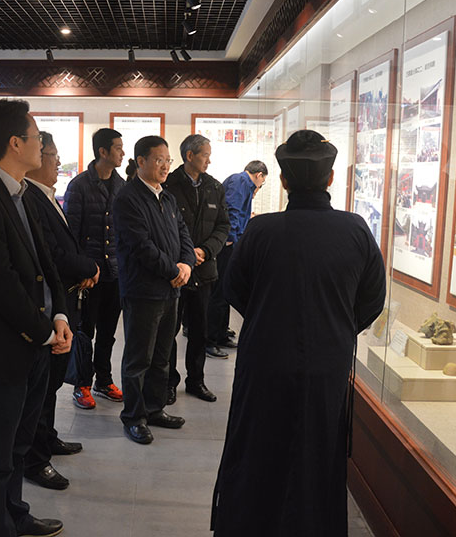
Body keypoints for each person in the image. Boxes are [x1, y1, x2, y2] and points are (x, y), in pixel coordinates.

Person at [211, 130, 386, 536]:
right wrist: (336, 328)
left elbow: (234, 288)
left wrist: (270, 318)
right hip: (327, 364)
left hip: (265, 360)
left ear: (284, 180)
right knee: (318, 454)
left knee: (257, 449)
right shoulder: (355, 230)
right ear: (330, 178)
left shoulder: (261, 231)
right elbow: (372, 300)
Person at [0, 99, 72, 537]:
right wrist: (45, 332)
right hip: (1, 348)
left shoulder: (22, 192)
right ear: (15, 143)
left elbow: (45, 263)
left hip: (35, 342)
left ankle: (16, 516)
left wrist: (59, 315)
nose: (42, 145)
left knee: (20, 442)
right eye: (37, 137)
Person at [23, 131, 100, 491]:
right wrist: (89, 267)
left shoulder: (47, 196)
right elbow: (52, 253)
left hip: (64, 301)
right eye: (52, 155)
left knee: (52, 382)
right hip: (48, 306)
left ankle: (48, 438)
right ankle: (35, 460)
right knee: (40, 389)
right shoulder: (30, 199)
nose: (56, 162)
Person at [113, 136, 196, 445]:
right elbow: (141, 247)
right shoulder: (128, 198)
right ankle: (134, 417)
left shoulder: (168, 197)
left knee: (162, 356)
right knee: (139, 358)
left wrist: (186, 264)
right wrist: (174, 271)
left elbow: (183, 234)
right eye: (159, 160)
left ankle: (154, 408)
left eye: (168, 160)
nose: (165, 166)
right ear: (141, 161)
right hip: (143, 291)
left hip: (170, 290)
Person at [163, 134, 230, 404]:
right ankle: (168, 382)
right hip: (176, 272)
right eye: (205, 155)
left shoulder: (214, 187)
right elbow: (164, 228)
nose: (209, 160)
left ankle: (196, 381)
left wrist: (205, 251)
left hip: (204, 270)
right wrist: (186, 255)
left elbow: (223, 226)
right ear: (189, 156)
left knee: (200, 330)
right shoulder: (168, 185)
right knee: (169, 331)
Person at [64, 128, 126, 408]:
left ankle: (104, 380)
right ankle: (82, 384)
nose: (122, 153)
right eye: (118, 148)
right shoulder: (79, 186)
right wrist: (81, 270)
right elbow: (71, 234)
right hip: (90, 274)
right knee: (84, 332)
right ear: (103, 151)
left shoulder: (122, 185)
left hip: (115, 272)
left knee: (108, 332)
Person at [206, 160, 268, 359]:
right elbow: (232, 212)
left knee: (225, 291)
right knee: (219, 292)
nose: (260, 186)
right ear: (259, 175)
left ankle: (221, 334)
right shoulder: (241, 182)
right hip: (227, 246)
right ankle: (210, 340)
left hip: (231, 243)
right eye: (262, 182)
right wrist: (231, 240)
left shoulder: (243, 184)